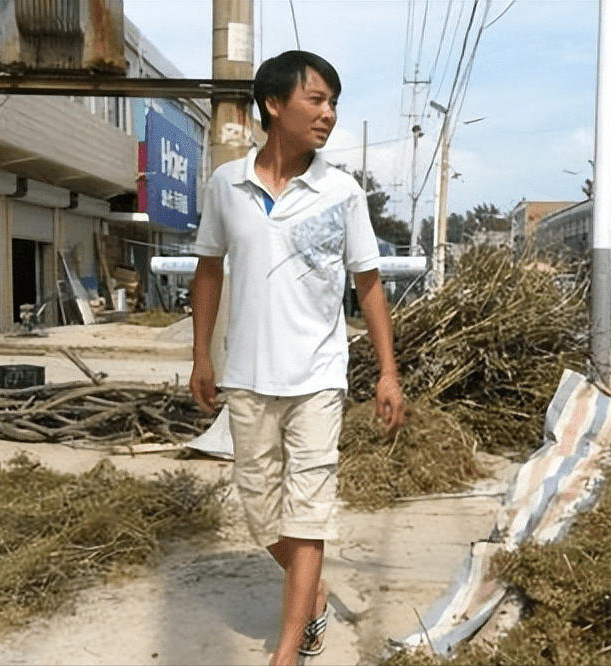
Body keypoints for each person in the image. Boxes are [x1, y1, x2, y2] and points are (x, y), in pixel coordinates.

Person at [188, 50, 405, 666]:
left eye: (334, 102)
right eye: (317, 99)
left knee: (308, 512)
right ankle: (313, 591)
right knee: (261, 510)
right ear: (274, 104)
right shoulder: (226, 185)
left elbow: (368, 283)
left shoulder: (341, 192)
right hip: (247, 377)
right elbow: (208, 271)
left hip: (317, 377)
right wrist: (201, 355)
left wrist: (387, 373)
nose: (329, 114)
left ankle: (290, 648)